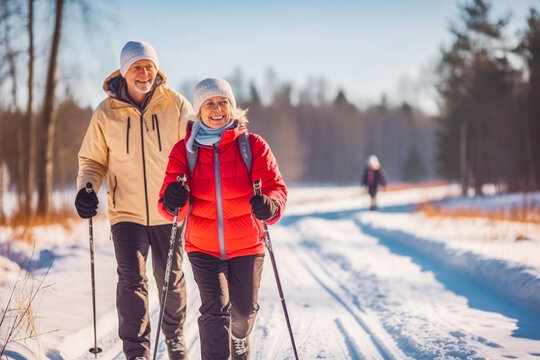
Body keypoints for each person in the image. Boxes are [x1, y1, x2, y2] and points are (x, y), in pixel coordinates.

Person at [74, 41, 193, 360]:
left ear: (157, 70)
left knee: (170, 277)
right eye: (137, 67)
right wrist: (87, 188)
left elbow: (196, 152)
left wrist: (183, 187)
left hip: (169, 209)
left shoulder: (177, 105)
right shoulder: (105, 112)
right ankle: (136, 350)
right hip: (125, 212)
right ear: (124, 72)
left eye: (149, 66)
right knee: (131, 279)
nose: (144, 73)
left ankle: (175, 336)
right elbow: (92, 161)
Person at [157, 78, 287, 360]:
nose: (217, 109)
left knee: (242, 314)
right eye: (209, 104)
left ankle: (240, 338)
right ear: (199, 110)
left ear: (232, 106)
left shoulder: (252, 146)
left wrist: (270, 205)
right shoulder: (185, 151)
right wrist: (172, 199)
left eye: (222, 102)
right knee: (214, 311)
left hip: (247, 245)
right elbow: (167, 204)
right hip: (203, 247)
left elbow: (276, 188)